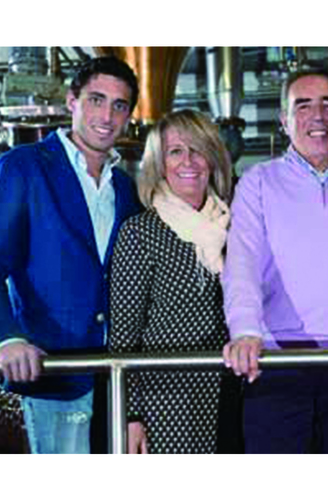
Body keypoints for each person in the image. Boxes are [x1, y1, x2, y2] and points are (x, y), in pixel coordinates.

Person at [222, 69, 328, 454]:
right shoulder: (258, 181)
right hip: (278, 358)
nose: (317, 116)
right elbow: (242, 262)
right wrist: (244, 330)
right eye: (303, 106)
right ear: (284, 121)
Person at [0, 56, 143, 454]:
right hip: (52, 373)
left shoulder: (124, 187)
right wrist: (5, 336)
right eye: (96, 100)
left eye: (119, 105)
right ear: (72, 101)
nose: (106, 116)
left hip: (114, 378)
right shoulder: (23, 168)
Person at [109, 109, 233, 454]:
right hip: (166, 396)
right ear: (159, 164)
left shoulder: (234, 225)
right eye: (175, 151)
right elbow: (124, 335)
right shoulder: (140, 233)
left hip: (228, 388)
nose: (188, 161)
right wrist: (131, 415)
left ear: (212, 157)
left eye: (197, 149)